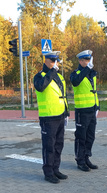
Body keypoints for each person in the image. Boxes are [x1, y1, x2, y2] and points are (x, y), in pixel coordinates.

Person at [34, 51, 69, 184]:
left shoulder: (59, 76)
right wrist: (52, 72)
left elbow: (62, 95)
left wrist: (66, 113)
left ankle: (56, 169)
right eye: (52, 61)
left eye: (56, 61)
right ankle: (48, 173)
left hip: (60, 115)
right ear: (46, 60)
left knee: (58, 145)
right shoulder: (39, 76)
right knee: (49, 146)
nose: (55, 63)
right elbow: (41, 87)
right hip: (48, 117)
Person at [70, 50, 100, 172]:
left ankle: (87, 158)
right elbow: (76, 81)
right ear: (80, 61)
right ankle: (80, 160)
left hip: (92, 109)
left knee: (90, 136)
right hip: (82, 111)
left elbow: (94, 91)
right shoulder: (75, 74)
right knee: (81, 137)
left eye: (89, 60)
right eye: (86, 60)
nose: (88, 62)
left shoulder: (91, 74)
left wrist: (97, 106)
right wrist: (87, 69)